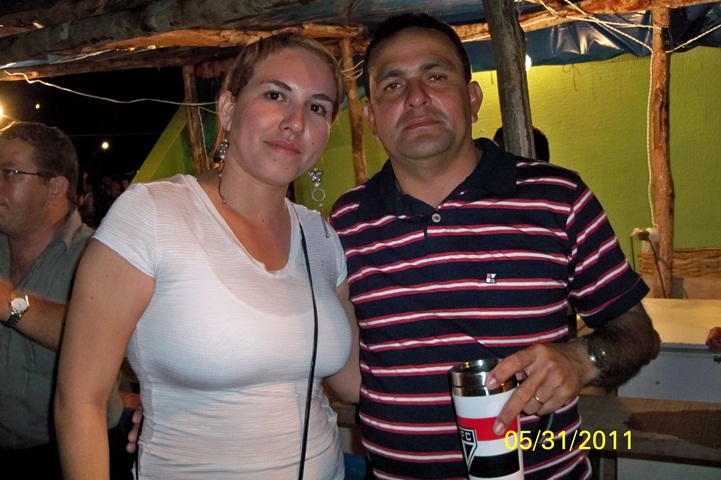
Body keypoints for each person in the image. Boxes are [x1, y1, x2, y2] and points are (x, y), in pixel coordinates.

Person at [329, 13, 660, 479]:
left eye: (435, 76)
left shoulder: (557, 198)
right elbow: (346, 371)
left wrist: (581, 359)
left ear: (472, 99)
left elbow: (637, 332)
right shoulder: (346, 222)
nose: (416, 97)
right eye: (393, 85)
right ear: (372, 119)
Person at [55, 33, 360, 479]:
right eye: (276, 95)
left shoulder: (321, 236)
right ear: (229, 109)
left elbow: (355, 382)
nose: (296, 122)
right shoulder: (152, 214)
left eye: (317, 107)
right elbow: (79, 400)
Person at [0, 121, 130, 479]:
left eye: (9, 173)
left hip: (71, 455)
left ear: (54, 188)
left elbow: (104, 337)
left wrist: (11, 304)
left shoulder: (97, 255)